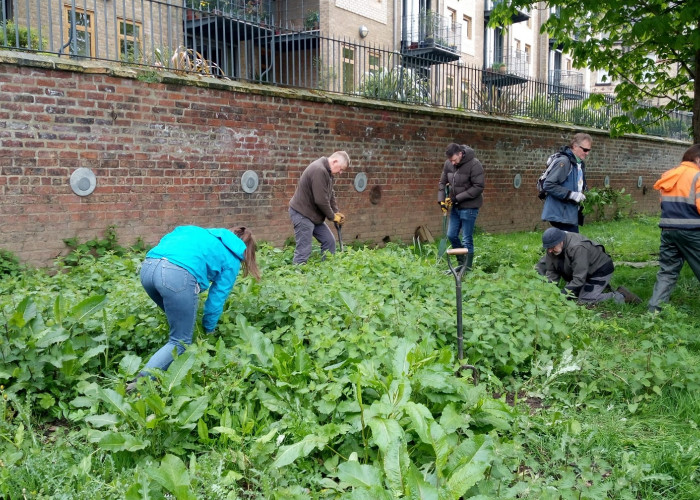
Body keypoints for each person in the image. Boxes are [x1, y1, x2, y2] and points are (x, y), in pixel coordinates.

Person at [127, 225, 260, 392]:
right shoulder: (232, 258)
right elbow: (215, 301)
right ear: (247, 250)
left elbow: (168, 239)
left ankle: (163, 363)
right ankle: (137, 386)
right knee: (180, 341)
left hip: (148, 268)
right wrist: (208, 331)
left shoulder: (194, 231)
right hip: (175, 277)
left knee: (179, 323)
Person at [648, 144, 700, 312]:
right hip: (692, 232)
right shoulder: (697, 176)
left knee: (667, 271)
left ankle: (654, 310)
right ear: (698, 159)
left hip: (668, 230)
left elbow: (663, 203)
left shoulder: (669, 175)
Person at [537, 227, 641, 305]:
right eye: (547, 248)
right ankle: (603, 289)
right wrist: (549, 293)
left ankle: (621, 296)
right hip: (584, 271)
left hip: (599, 270)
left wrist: (562, 296)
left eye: (552, 247)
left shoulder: (577, 247)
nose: (549, 250)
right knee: (573, 294)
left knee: (585, 299)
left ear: (560, 241)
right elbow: (552, 272)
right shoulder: (552, 249)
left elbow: (578, 279)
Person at [289, 151, 350, 264]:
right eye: (341, 169)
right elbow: (321, 201)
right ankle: (297, 276)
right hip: (302, 213)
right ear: (335, 161)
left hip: (313, 215)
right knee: (304, 249)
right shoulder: (319, 170)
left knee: (329, 241)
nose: (341, 172)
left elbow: (330, 195)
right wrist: (332, 217)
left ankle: (326, 270)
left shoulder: (329, 173)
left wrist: (336, 212)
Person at [437, 143, 485, 269]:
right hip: (456, 207)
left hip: (469, 207)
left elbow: (478, 187)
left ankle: (467, 269)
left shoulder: (474, 164)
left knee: (466, 239)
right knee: (451, 235)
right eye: (450, 160)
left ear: (460, 154)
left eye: (454, 160)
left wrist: (456, 198)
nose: (452, 163)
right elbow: (442, 182)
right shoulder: (449, 164)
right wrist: (441, 200)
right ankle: (461, 263)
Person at [541, 133, 591, 233]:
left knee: (566, 245)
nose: (587, 153)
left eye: (589, 150)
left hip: (568, 214)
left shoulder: (578, 164)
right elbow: (548, 185)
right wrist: (571, 194)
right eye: (585, 150)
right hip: (560, 214)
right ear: (575, 146)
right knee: (571, 244)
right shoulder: (564, 162)